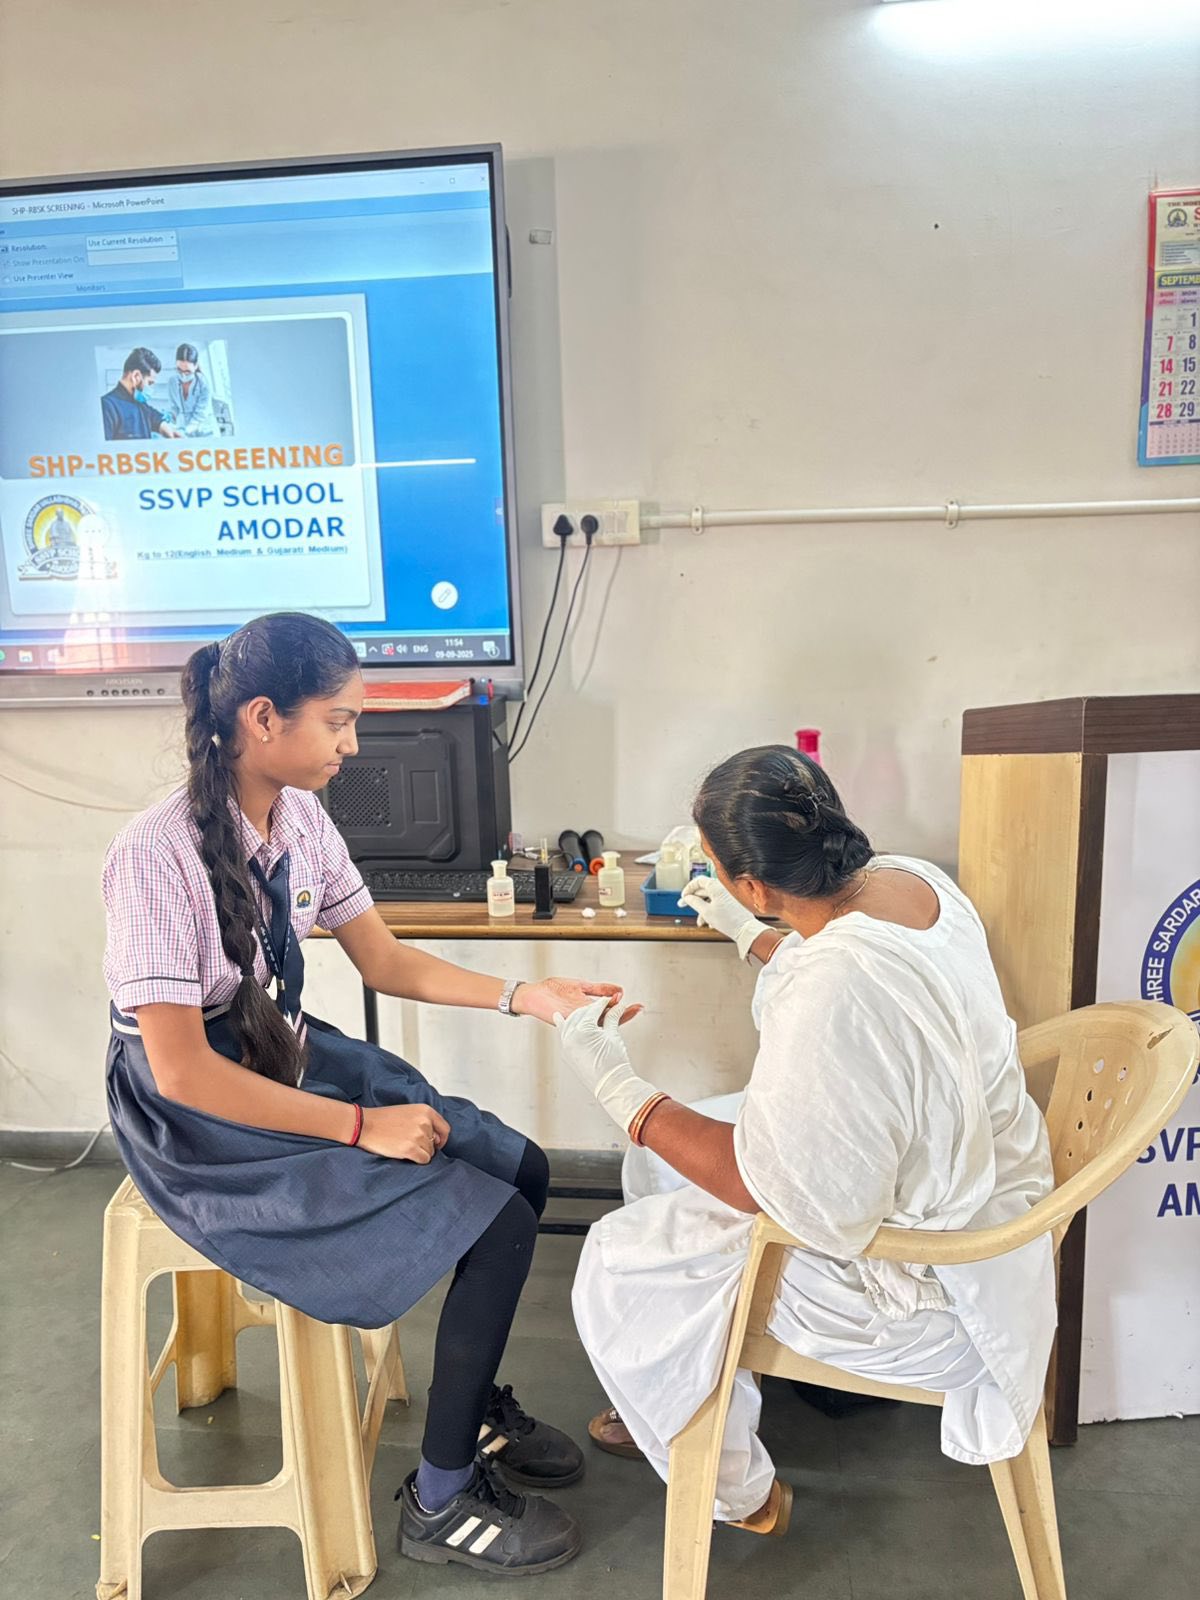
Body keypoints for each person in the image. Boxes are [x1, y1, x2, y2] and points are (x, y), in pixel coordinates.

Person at [103, 611, 633, 1576]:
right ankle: (440, 1500)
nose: (352, 743)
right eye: (339, 720)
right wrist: (360, 1126)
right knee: (496, 1227)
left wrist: (528, 996)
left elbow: (384, 961)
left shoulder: (301, 816)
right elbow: (181, 1072)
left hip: (275, 1052)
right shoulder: (155, 854)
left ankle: (469, 1412)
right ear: (264, 719)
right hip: (195, 1113)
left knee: (522, 1169)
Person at [556, 745, 1057, 1537]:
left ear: (756, 884)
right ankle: (688, 1382)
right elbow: (857, 967)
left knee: (619, 1264)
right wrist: (748, 934)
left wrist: (619, 1088)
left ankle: (737, 1489)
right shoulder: (913, 880)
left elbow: (762, 1181)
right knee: (655, 1169)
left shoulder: (832, 988)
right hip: (988, 1178)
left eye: (720, 871)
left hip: (938, 1283)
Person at [101, 347, 181, 441]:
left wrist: (171, 431)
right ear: (136, 376)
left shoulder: (141, 405)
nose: (151, 389)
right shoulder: (107, 407)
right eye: (149, 383)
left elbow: (156, 418)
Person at [165, 342, 217, 436]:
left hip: (204, 429)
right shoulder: (172, 382)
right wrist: (168, 419)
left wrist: (184, 431)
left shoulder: (203, 383)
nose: (183, 375)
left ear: (196, 366)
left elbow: (200, 415)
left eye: (187, 372)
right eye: (179, 370)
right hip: (183, 428)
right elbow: (174, 408)